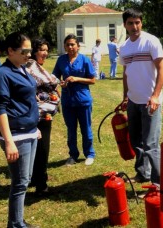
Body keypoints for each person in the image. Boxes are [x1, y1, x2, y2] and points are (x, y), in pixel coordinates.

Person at [0, 32, 40, 228]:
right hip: (16, 136)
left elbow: (25, 98)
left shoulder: (21, 69)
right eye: (25, 51)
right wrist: (9, 141)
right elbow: (0, 109)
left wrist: (34, 125)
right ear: (10, 51)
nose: (29, 54)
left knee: (25, 180)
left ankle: (18, 221)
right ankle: (15, 224)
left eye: (30, 51)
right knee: (20, 183)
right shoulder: (2, 74)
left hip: (29, 131)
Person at [119, 9, 163, 188]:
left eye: (137, 22)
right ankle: (142, 173)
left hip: (150, 102)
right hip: (133, 101)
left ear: (142, 23)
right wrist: (125, 97)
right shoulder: (124, 47)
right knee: (135, 140)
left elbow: (162, 70)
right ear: (125, 25)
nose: (135, 26)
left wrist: (155, 96)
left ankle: (158, 184)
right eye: (130, 23)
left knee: (151, 144)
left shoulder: (151, 41)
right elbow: (126, 73)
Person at [52, 34, 96, 166]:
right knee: (71, 130)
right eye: (67, 45)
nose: (70, 47)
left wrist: (77, 79)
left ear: (78, 46)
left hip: (83, 100)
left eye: (72, 44)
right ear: (65, 46)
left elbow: (93, 80)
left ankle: (89, 154)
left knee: (86, 129)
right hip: (67, 101)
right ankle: (73, 155)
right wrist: (60, 82)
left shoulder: (84, 60)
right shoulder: (61, 60)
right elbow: (54, 77)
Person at [26, 38, 60, 197]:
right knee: (42, 148)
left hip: (37, 112)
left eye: (47, 50)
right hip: (40, 114)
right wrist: (58, 82)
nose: (45, 53)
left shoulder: (30, 65)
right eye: (42, 50)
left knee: (35, 146)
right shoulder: (32, 65)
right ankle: (42, 184)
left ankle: (34, 178)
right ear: (34, 52)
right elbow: (51, 81)